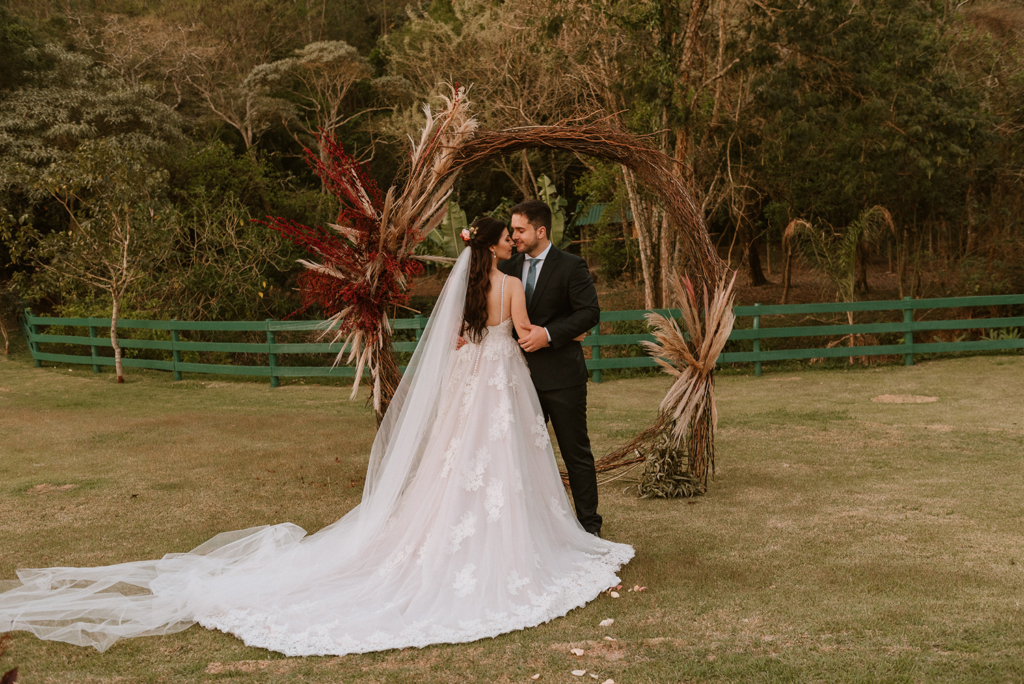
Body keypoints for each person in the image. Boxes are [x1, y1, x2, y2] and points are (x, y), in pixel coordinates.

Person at [0, 217, 632, 657]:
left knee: (454, 462)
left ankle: (442, 532)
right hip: (502, 376)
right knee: (503, 463)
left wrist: (482, 345)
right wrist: (526, 341)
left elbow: (459, 340)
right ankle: (518, 540)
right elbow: (518, 330)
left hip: (469, 378)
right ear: (497, 245)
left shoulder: (462, 287)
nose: (510, 244)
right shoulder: (514, 285)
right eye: (506, 238)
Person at [499, 200, 603, 537]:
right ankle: (533, 531)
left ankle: (589, 527)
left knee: (576, 454)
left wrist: (548, 334)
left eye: (520, 230)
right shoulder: (508, 267)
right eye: (512, 230)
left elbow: (589, 312)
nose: (514, 236)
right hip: (516, 377)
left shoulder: (571, 265)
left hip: (562, 377)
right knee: (520, 456)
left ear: (540, 231)